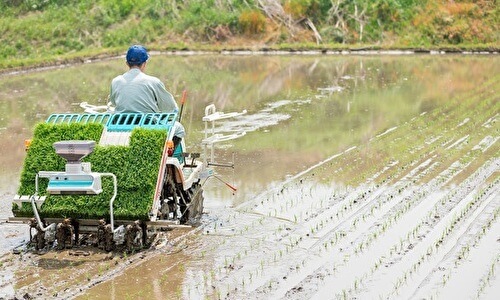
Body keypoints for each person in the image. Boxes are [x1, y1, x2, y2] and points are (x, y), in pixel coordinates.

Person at [109, 45, 185, 145]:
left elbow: (114, 103)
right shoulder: (153, 82)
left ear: (127, 63)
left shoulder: (116, 81)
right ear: (144, 63)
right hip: (148, 125)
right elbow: (169, 108)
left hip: (121, 125)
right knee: (179, 128)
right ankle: (167, 156)